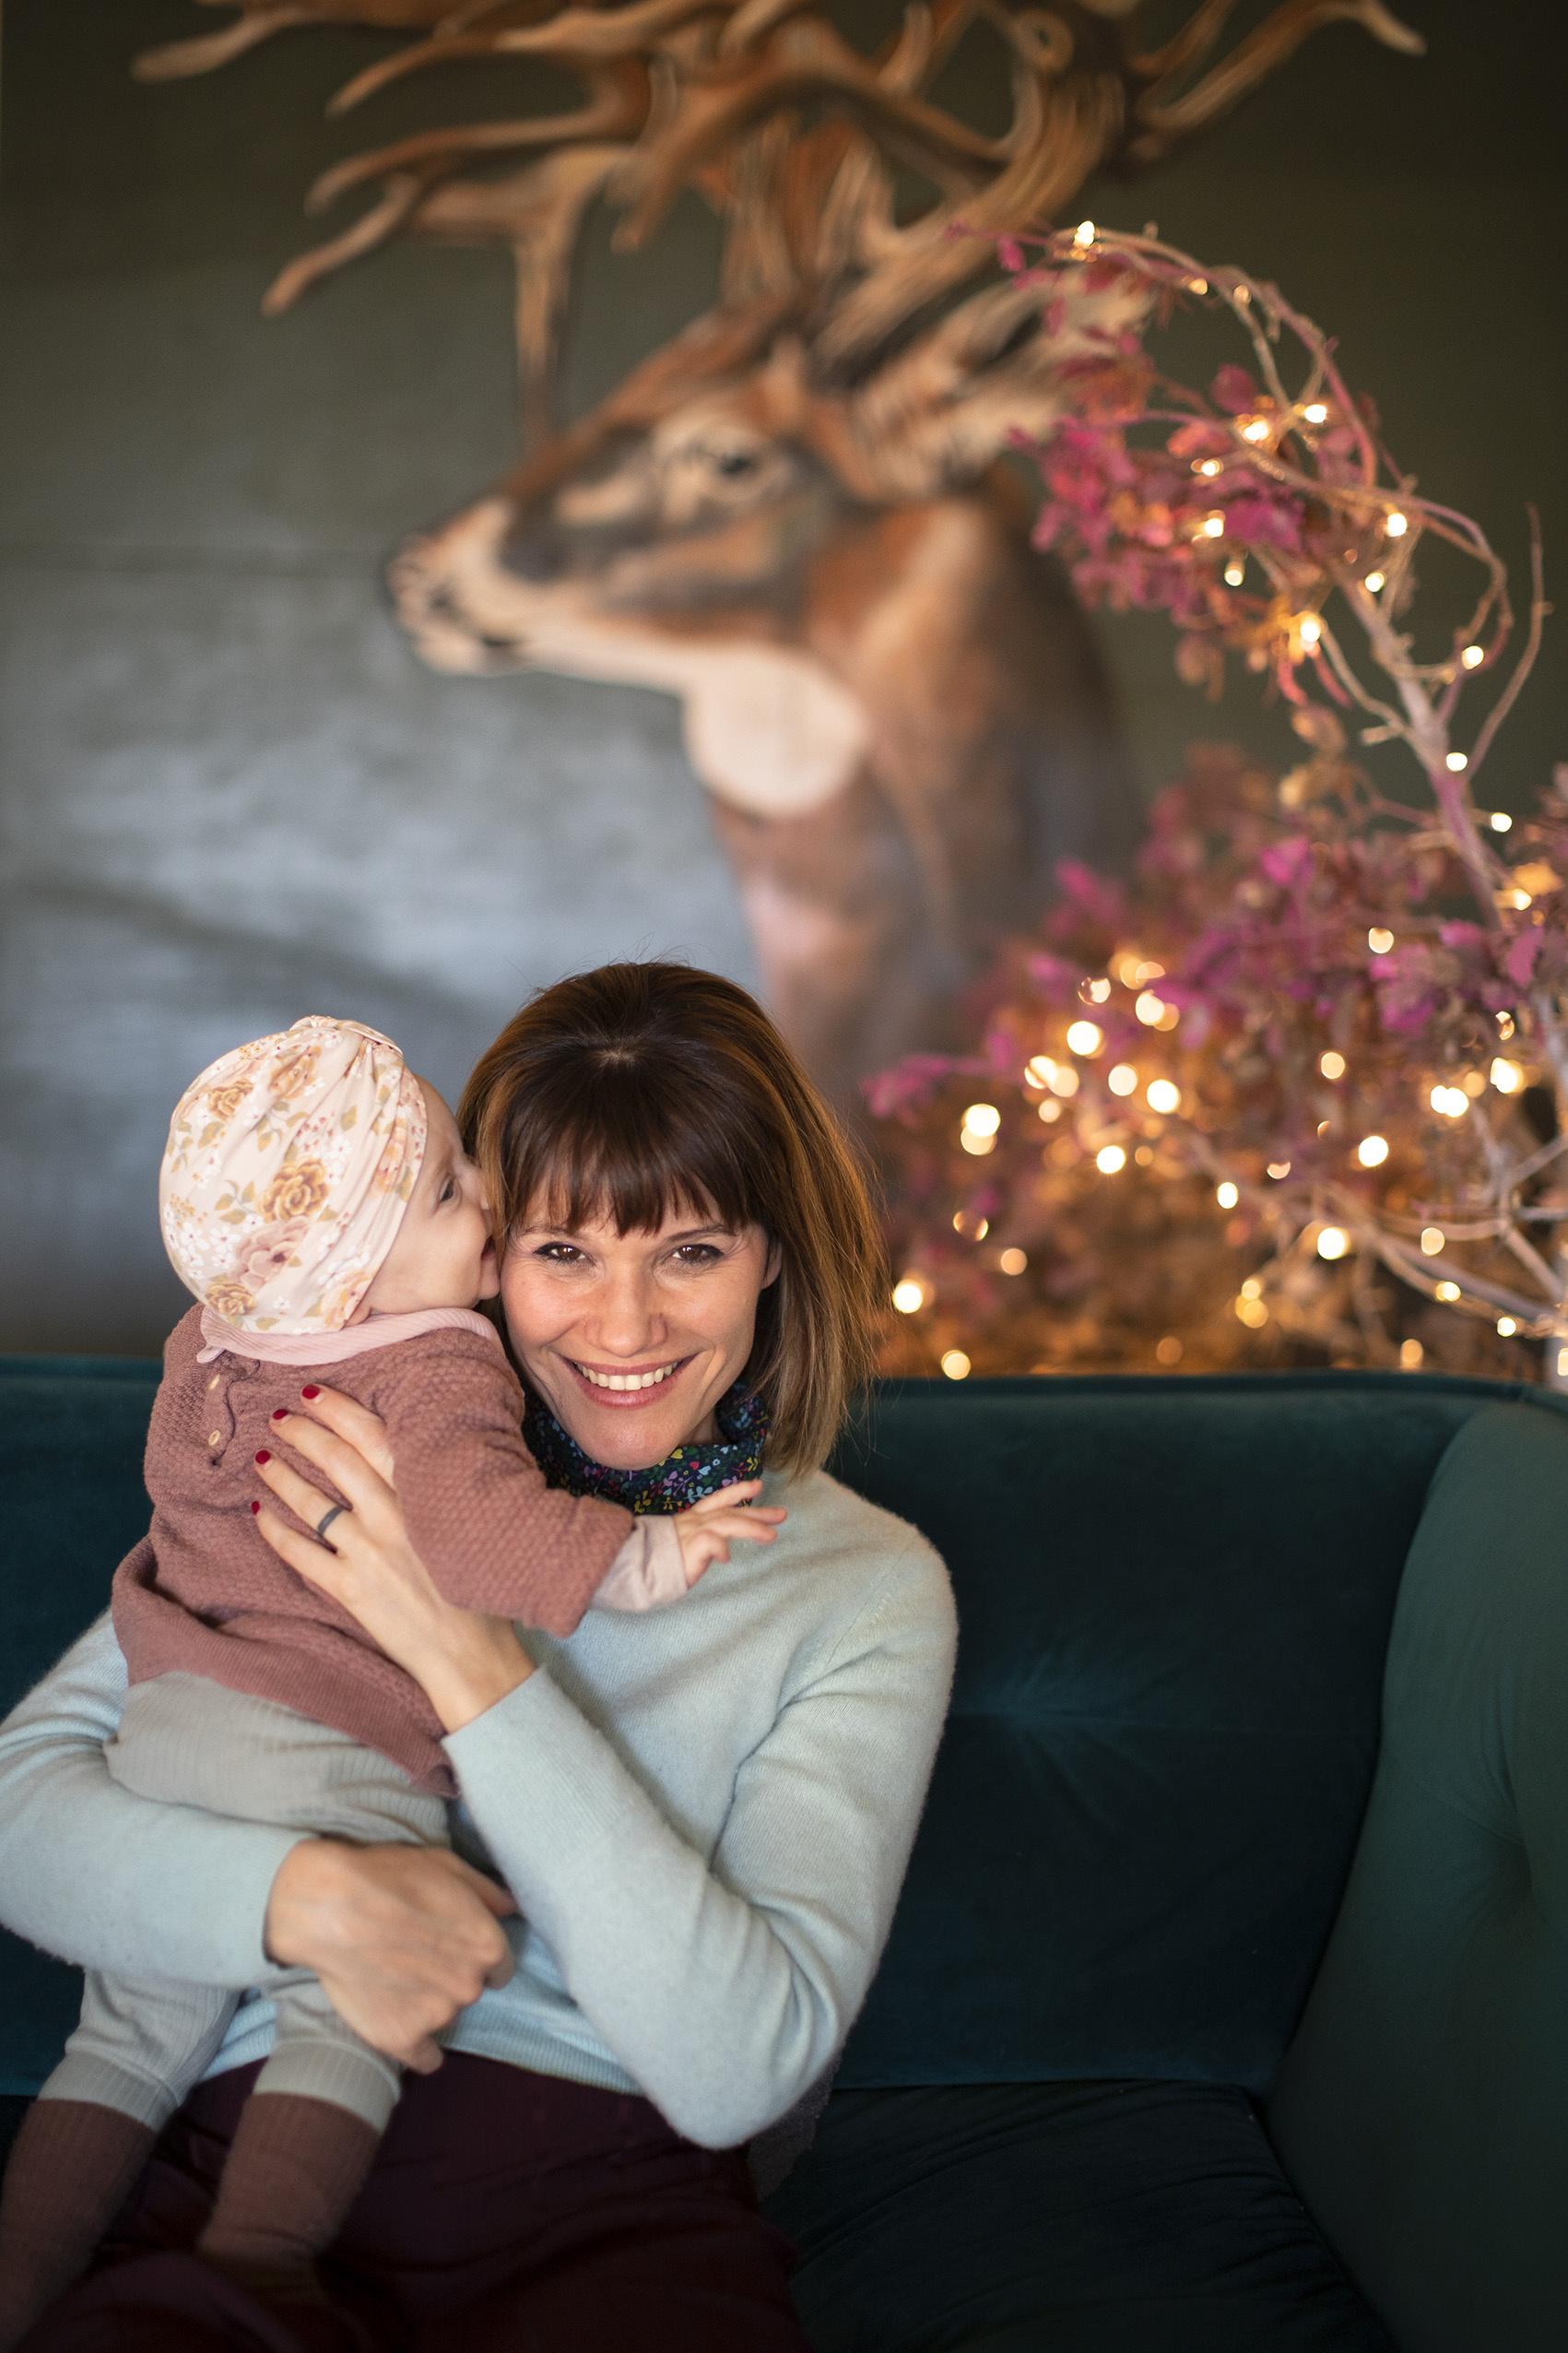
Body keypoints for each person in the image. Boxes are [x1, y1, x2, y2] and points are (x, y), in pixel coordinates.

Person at [0, 962, 958, 2353]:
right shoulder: (337, 1437)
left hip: (612, 2207)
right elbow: (19, 1821)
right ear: (478, 1242)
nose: (623, 1328)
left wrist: (465, 1661)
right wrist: (309, 1903)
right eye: (563, 1251)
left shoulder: (863, 1587)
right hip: (238, 2158)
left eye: (690, 1252)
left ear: (773, 1255)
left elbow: (739, 2071)